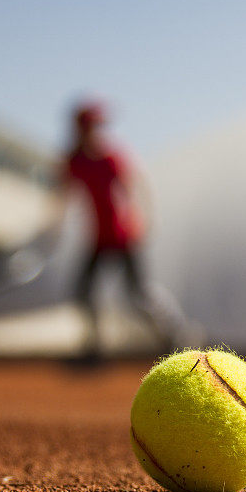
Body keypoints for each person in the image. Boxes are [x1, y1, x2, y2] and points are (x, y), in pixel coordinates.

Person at [61, 101, 184, 358]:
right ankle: (94, 344)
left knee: (138, 293)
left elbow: (136, 186)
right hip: (99, 239)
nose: (94, 132)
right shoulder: (75, 161)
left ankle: (173, 335)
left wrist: (147, 217)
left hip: (124, 236)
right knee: (83, 290)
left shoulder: (111, 157)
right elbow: (62, 194)